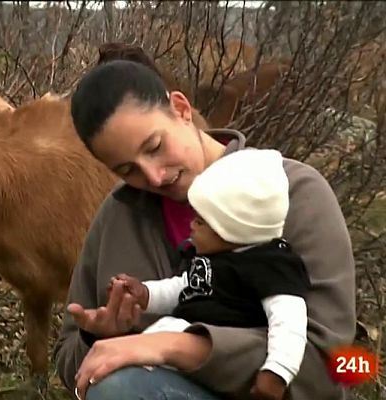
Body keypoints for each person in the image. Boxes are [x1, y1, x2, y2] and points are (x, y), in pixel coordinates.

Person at [52, 59, 356, 400]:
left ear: (181, 109)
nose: (154, 177)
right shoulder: (118, 215)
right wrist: (101, 337)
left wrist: (179, 347)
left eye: (154, 147)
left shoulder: (293, 192)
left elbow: (331, 364)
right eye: (128, 170)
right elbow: (68, 360)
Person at [118, 148, 311, 400]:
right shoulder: (214, 256)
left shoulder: (270, 265)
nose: (191, 225)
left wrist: (277, 372)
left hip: (217, 371)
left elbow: (289, 321)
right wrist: (147, 293)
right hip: (174, 360)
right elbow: (185, 287)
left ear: (233, 228)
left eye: (201, 221)